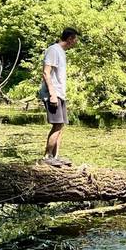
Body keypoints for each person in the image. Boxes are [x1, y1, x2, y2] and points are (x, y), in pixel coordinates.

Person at [39, 27, 79, 167]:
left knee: (60, 125)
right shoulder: (53, 50)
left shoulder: (61, 52)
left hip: (60, 94)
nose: (76, 42)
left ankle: (55, 157)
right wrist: (52, 94)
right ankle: (47, 157)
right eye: (75, 39)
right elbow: (46, 72)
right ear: (70, 39)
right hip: (53, 94)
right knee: (57, 125)